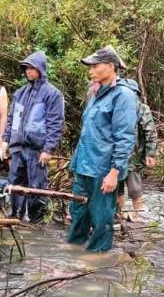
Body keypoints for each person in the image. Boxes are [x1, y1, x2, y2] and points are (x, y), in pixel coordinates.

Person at [66, 46, 137, 252]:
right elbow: (88, 132)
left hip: (103, 170)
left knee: (101, 217)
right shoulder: (95, 93)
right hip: (84, 166)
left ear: (111, 66)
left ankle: (97, 261)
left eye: (95, 66)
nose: (91, 70)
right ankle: (72, 253)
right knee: (78, 213)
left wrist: (114, 172)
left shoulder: (123, 96)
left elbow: (125, 137)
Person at [0, 51, 65, 222]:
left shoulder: (52, 94)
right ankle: (15, 216)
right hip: (18, 147)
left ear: (41, 69)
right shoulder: (20, 93)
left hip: (37, 149)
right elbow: (12, 119)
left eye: (31, 68)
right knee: (14, 183)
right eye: (26, 68)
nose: (28, 71)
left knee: (37, 186)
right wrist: (5, 141)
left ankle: (37, 222)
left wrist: (48, 149)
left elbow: (55, 124)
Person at [117, 86, 158, 221]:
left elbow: (150, 131)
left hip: (133, 155)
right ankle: (120, 216)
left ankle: (140, 216)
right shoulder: (116, 105)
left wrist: (150, 153)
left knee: (134, 188)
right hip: (117, 154)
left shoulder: (141, 108)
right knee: (118, 188)